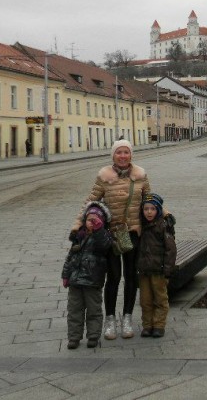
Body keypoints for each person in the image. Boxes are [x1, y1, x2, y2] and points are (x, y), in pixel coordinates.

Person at [72, 139, 150, 341]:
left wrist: (165, 214)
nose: (123, 156)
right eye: (119, 152)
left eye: (126, 152)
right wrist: (78, 225)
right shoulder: (104, 176)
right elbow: (90, 201)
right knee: (113, 278)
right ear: (113, 155)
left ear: (131, 154)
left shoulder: (140, 175)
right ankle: (109, 319)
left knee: (131, 277)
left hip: (133, 233)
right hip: (111, 235)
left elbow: (150, 200)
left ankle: (127, 318)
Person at [62, 201, 113, 349]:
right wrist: (66, 275)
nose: (91, 223)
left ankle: (93, 336)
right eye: (88, 220)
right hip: (75, 281)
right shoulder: (79, 236)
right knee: (74, 311)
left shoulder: (103, 236)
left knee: (93, 310)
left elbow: (104, 246)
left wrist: (99, 230)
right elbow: (70, 257)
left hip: (92, 281)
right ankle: (74, 337)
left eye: (95, 220)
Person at [137, 193, 177, 338]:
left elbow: (170, 249)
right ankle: (147, 325)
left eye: (152, 209)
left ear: (158, 210)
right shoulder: (140, 226)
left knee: (160, 299)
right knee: (145, 300)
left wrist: (167, 269)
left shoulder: (163, 226)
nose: (149, 212)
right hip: (144, 271)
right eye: (146, 209)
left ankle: (159, 325)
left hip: (159, 270)